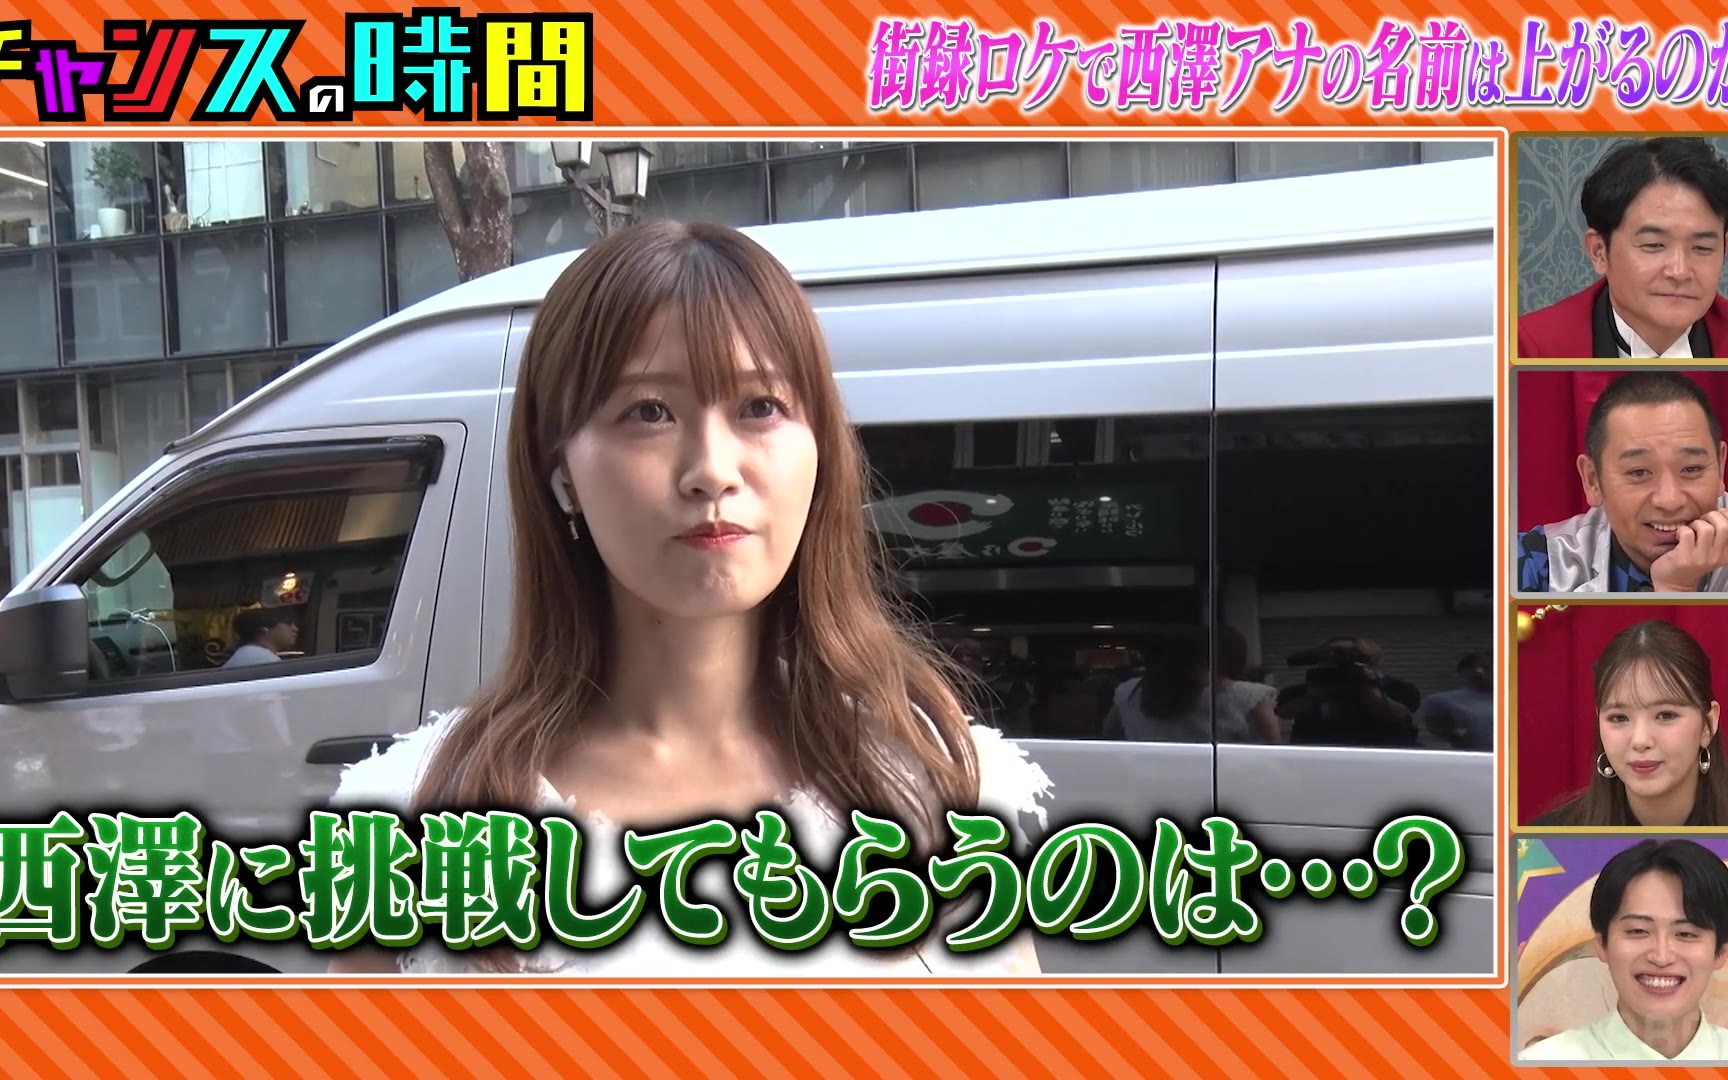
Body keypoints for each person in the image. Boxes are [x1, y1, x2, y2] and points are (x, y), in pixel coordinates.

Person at [328, 220, 1054, 975]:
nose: (712, 469)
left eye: (760, 406)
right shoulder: (418, 820)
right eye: (649, 411)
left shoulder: (939, 784)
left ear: (821, 448)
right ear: (561, 467)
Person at [1517, 371, 1728, 593]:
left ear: (1720, 467)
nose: (1670, 501)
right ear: (1593, 480)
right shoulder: (1534, 563)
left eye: (1691, 469)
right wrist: (1674, 588)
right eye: (1639, 472)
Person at [1518, 137, 1728, 359]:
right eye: (1654, 245)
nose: (1679, 272)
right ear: (1599, 252)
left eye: (1702, 247)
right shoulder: (1531, 346)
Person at [1521, 839, 1728, 1060]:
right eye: (1638, 931)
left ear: (1721, 953)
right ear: (1602, 944)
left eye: (1685, 934)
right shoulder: (1540, 1062)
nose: (1661, 957)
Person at [1532, 620, 1728, 827]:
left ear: (1708, 724)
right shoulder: (1545, 839)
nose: (1640, 741)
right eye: (1619, 718)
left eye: (1665, 715)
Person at [1102, 625, 1280, 744]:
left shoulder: (1129, 692)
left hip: (1145, 781)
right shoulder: (1248, 696)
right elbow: (1275, 749)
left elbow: (1108, 737)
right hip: (1227, 782)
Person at [1276, 635, 1419, 747]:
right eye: (1329, 653)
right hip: (1319, 758)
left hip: (1381, 756)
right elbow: (1285, 712)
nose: (1336, 659)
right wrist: (1314, 696)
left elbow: (1396, 714)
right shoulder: (1306, 688)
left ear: (1368, 659)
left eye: (1349, 654)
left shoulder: (1394, 687)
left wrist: (1367, 685)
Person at [1419, 653, 1493, 751]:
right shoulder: (1441, 701)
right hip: (1472, 757)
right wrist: (1456, 733)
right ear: (1464, 672)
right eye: (1479, 668)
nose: (1481, 672)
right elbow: (1437, 729)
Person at [222, 608, 297, 668]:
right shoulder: (263, 659)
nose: (295, 629)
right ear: (264, 628)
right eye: (288, 623)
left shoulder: (249, 653)